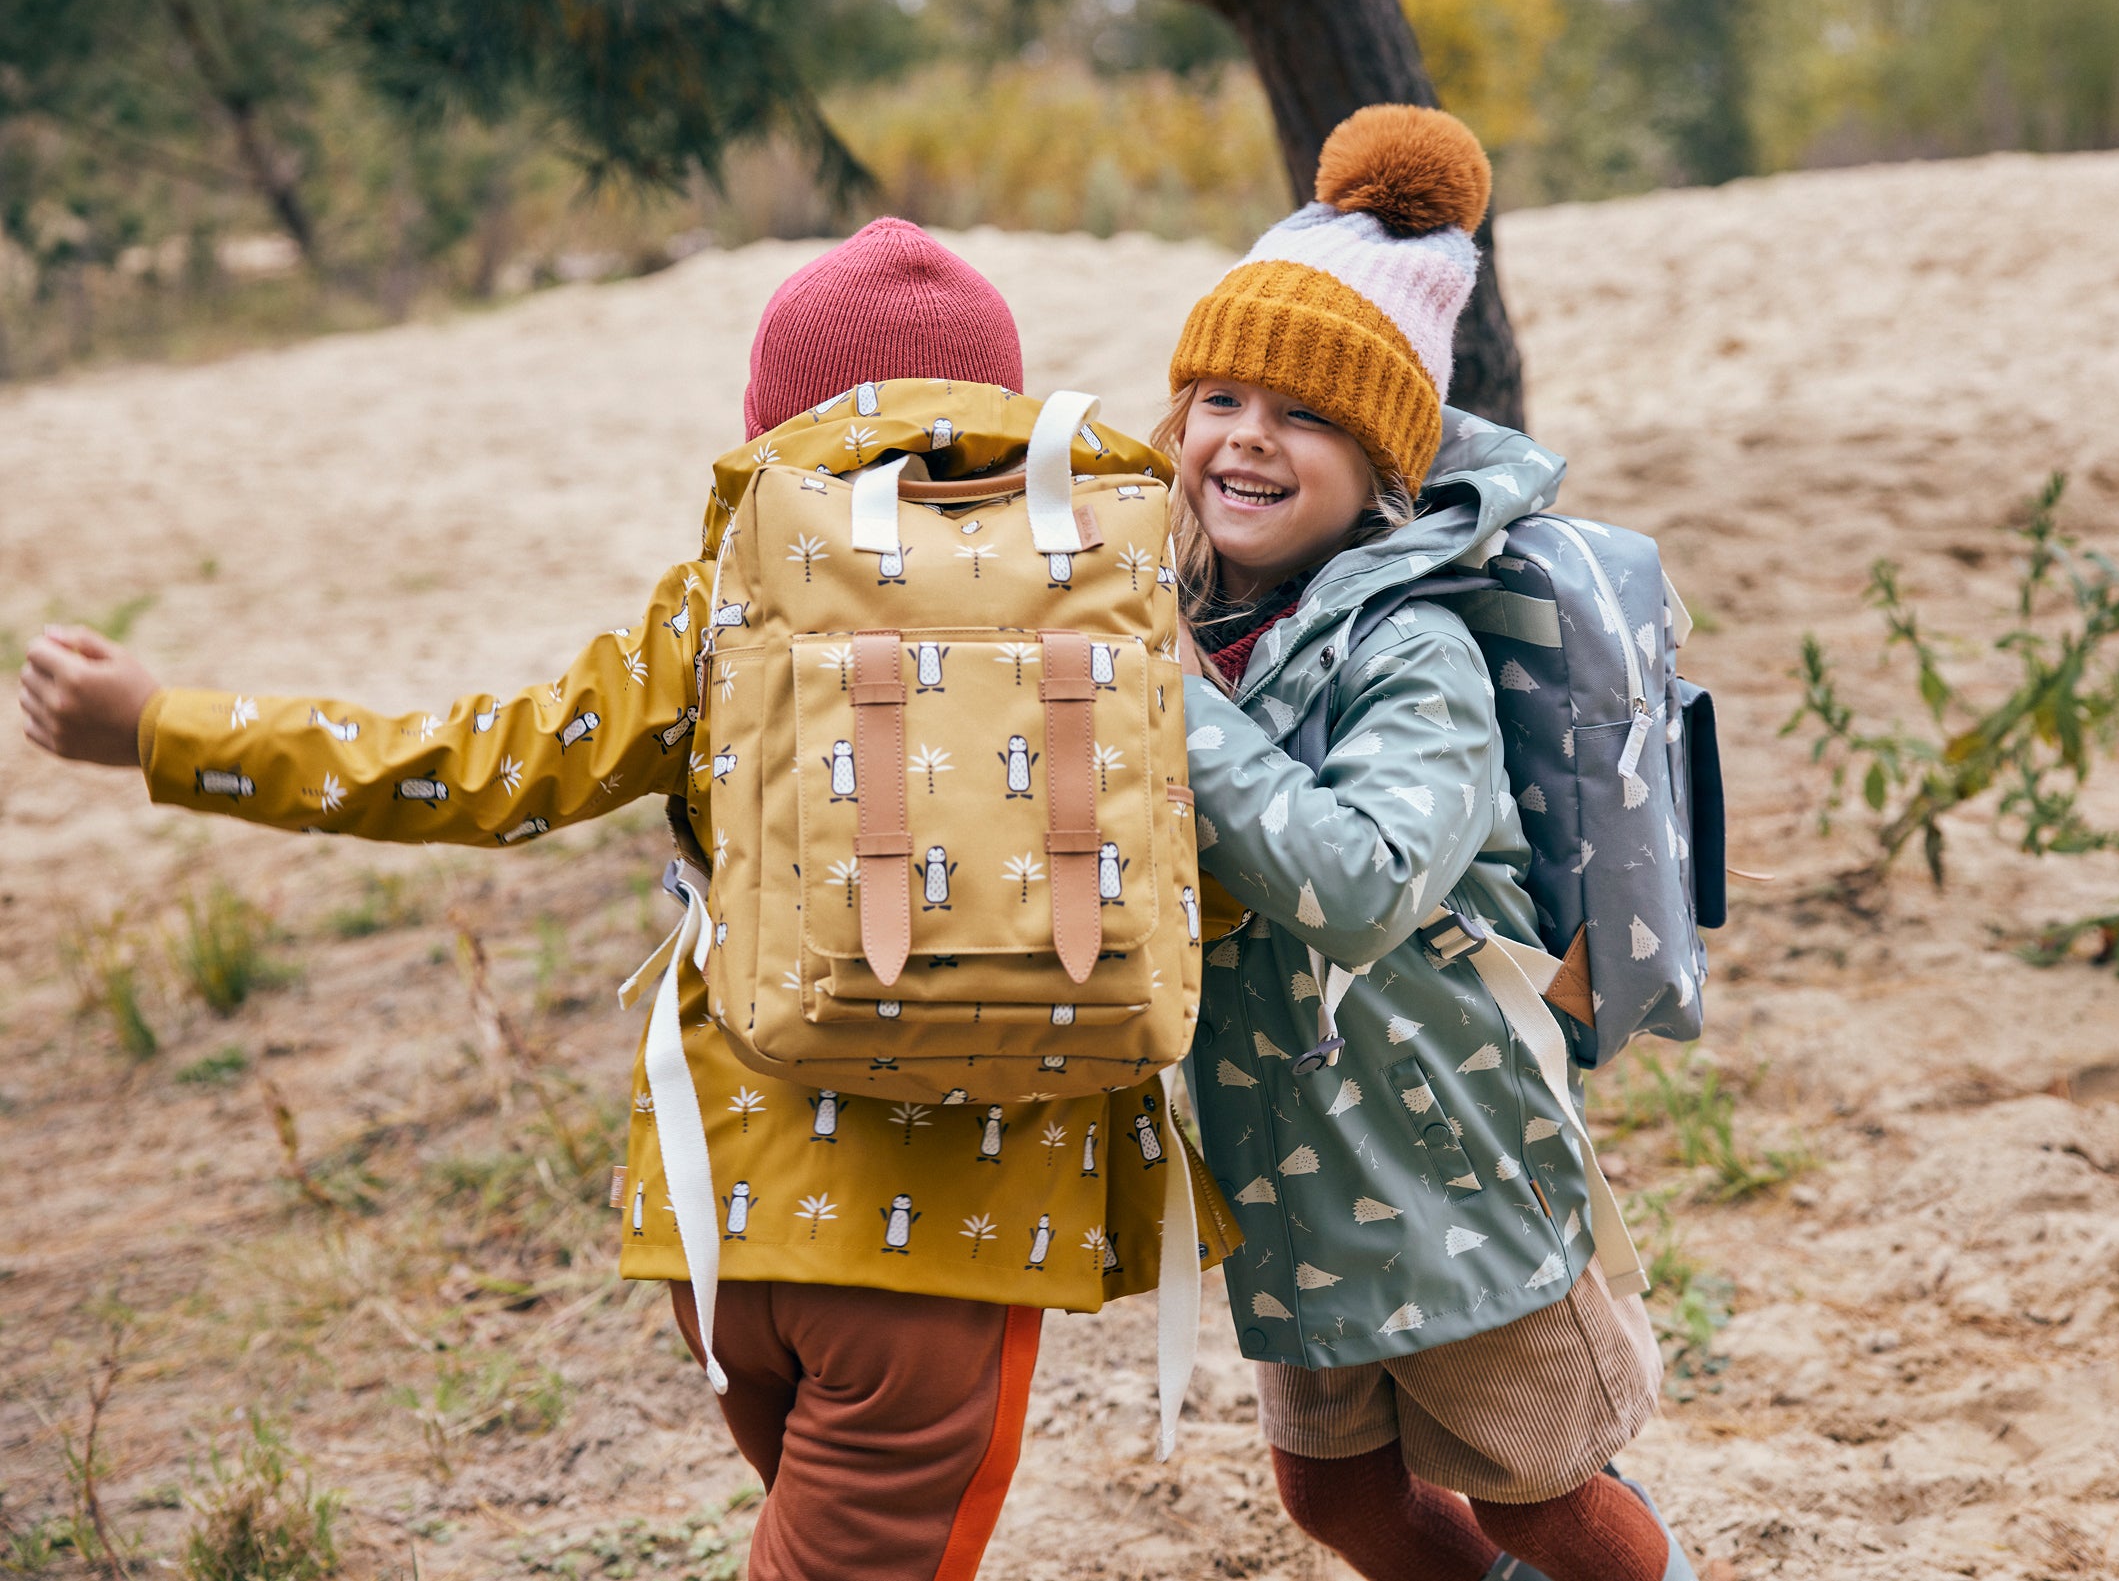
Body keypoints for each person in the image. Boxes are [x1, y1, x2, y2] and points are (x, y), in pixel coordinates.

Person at [18, 217, 1232, 1581]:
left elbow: (472, 765)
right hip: (951, 1244)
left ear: (775, 427)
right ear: (1004, 412)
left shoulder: (721, 599)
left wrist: (165, 727)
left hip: (725, 1230)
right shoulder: (1103, 608)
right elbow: (1210, 881)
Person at [1166, 107, 1696, 1581]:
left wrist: (1170, 709)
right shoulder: (1186, 608)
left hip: (1451, 1154)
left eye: (1307, 412)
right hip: (1288, 1165)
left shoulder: (1416, 649)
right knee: (1333, 1496)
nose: (1247, 437)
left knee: (1546, 1500)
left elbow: (1363, 880)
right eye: (1217, 396)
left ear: (1386, 456)